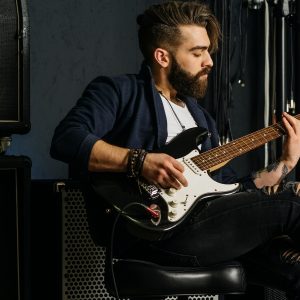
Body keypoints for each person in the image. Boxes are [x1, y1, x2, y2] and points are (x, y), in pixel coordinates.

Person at [50, 1, 300, 298]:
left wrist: (285, 162)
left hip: (207, 229)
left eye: (208, 50)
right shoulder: (119, 92)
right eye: (197, 52)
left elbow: (236, 192)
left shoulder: (201, 119)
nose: (209, 61)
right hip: (151, 234)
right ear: (162, 57)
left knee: (293, 267)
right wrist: (139, 161)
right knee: (292, 204)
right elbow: (67, 139)